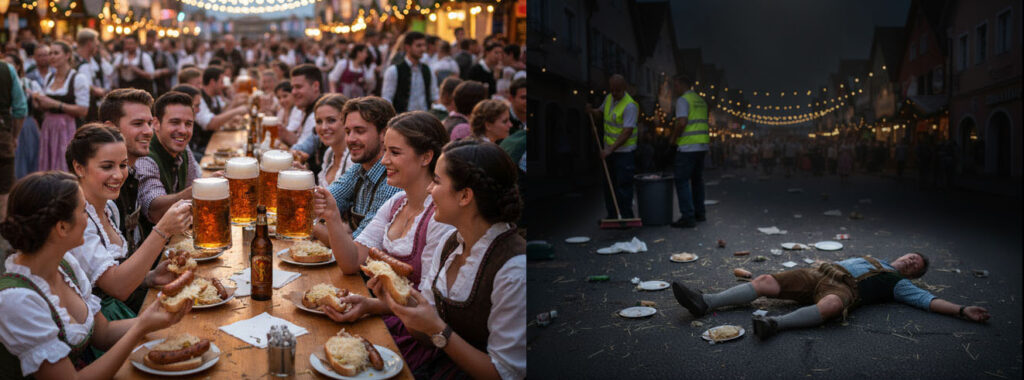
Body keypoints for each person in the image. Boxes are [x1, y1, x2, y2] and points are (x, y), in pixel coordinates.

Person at [0, 171, 191, 378]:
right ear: (62, 227)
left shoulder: (65, 264)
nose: (90, 217)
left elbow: (103, 333)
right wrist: (140, 328)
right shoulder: (17, 300)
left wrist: (155, 319)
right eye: (84, 210)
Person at [371, 139, 525, 379]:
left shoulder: (513, 269)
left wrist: (438, 330)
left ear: (464, 196)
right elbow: (425, 334)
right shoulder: (451, 243)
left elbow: (503, 373)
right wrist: (395, 303)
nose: (430, 189)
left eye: (437, 181)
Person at [315, 111, 455, 374]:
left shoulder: (438, 218)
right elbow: (352, 262)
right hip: (384, 322)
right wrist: (332, 216)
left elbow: (430, 308)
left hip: (415, 342)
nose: (385, 160)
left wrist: (373, 305)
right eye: (385, 151)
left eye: (394, 152)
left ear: (426, 157)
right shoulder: (395, 204)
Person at [672, 252, 990, 341]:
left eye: (915, 265)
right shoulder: (875, 258)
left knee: (833, 306)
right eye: (910, 257)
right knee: (766, 279)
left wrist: (962, 310)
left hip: (844, 289)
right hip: (821, 271)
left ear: (913, 275)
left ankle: (774, 325)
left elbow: (929, 301)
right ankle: (706, 302)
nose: (909, 262)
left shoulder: (899, 284)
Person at [65, 124, 192, 325]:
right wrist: (163, 230)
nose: (118, 175)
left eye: (123, 165)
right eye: (107, 166)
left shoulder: (109, 207)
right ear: (79, 167)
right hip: (100, 327)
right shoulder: (79, 221)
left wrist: (149, 277)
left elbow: (108, 278)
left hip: (121, 315)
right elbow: (117, 287)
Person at [322, 96, 401, 238]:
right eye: (347, 132)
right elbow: (326, 201)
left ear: (384, 133)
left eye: (359, 131)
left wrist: (307, 221)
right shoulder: (359, 169)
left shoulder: (392, 179)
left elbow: (359, 244)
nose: (350, 139)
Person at [135, 92, 200, 242]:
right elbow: (154, 209)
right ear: (156, 124)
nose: (183, 130)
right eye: (175, 122)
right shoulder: (146, 157)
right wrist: (200, 189)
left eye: (188, 124)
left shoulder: (182, 147)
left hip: (177, 240)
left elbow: (192, 186)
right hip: (153, 254)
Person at [97, 88, 155, 256]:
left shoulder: (135, 170)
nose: (149, 131)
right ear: (111, 128)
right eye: (138, 124)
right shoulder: (102, 186)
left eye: (149, 123)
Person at [32, 41, 90, 172]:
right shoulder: (49, 77)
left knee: (65, 165)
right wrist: (39, 103)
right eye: (50, 53)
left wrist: (55, 104)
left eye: (56, 53)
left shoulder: (78, 78)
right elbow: (46, 105)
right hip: (48, 126)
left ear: (67, 55)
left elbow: (83, 110)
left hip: (68, 127)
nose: (51, 57)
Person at [592, 74, 638, 221]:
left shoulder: (630, 105)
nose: (614, 93)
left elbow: (627, 132)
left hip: (624, 152)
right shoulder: (608, 98)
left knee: (623, 184)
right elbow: (600, 114)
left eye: (617, 90)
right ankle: (612, 214)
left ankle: (625, 215)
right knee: (609, 184)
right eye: (612, 89)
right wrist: (592, 111)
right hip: (609, 150)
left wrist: (609, 150)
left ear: (624, 89)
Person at [193, 66, 247, 158]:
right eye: (221, 82)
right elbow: (211, 123)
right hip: (202, 147)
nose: (223, 86)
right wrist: (236, 111)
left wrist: (234, 107)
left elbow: (222, 115)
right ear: (213, 82)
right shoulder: (200, 99)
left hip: (214, 141)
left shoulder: (214, 97)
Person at [382, 31, 439, 113]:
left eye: (424, 45)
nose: (423, 49)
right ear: (408, 47)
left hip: (424, 118)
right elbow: (387, 99)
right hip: (402, 120)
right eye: (418, 46)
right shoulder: (393, 71)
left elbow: (434, 96)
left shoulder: (428, 70)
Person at [304, 94, 354, 187]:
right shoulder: (329, 153)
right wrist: (304, 176)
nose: (323, 127)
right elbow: (323, 194)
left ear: (346, 122)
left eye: (331, 120)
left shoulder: (353, 157)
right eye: (319, 121)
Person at [1, 58, 28, 221]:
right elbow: (20, 109)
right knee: (3, 190)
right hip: (2, 136)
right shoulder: (6, 70)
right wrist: (14, 136)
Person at [74, 28, 112, 122]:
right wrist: (99, 91)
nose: (98, 44)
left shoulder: (95, 60)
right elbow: (85, 86)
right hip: (85, 109)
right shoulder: (75, 61)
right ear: (89, 43)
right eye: (96, 41)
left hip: (96, 107)